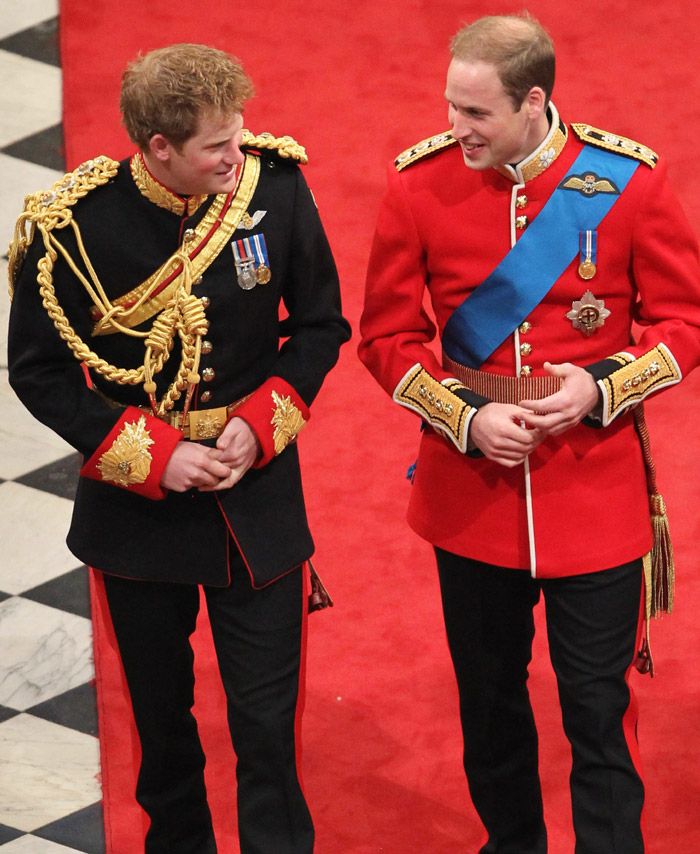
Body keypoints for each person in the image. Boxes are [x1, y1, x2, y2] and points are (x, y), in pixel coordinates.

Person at [359, 13, 700, 853]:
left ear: (533, 101)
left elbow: (686, 321)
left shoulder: (626, 182)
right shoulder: (417, 185)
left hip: (596, 489)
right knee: (490, 704)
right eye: (450, 107)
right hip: (470, 496)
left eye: (475, 113)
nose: (455, 128)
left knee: (596, 707)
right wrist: (465, 418)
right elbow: (385, 337)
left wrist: (602, 384)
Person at [8, 43, 350, 854]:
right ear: (159, 149)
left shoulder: (277, 189)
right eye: (217, 147)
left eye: (240, 136)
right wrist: (154, 454)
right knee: (163, 731)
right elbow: (40, 373)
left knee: (267, 725)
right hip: (138, 516)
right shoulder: (74, 229)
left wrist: (263, 422)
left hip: (255, 501)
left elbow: (320, 327)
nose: (239, 156)